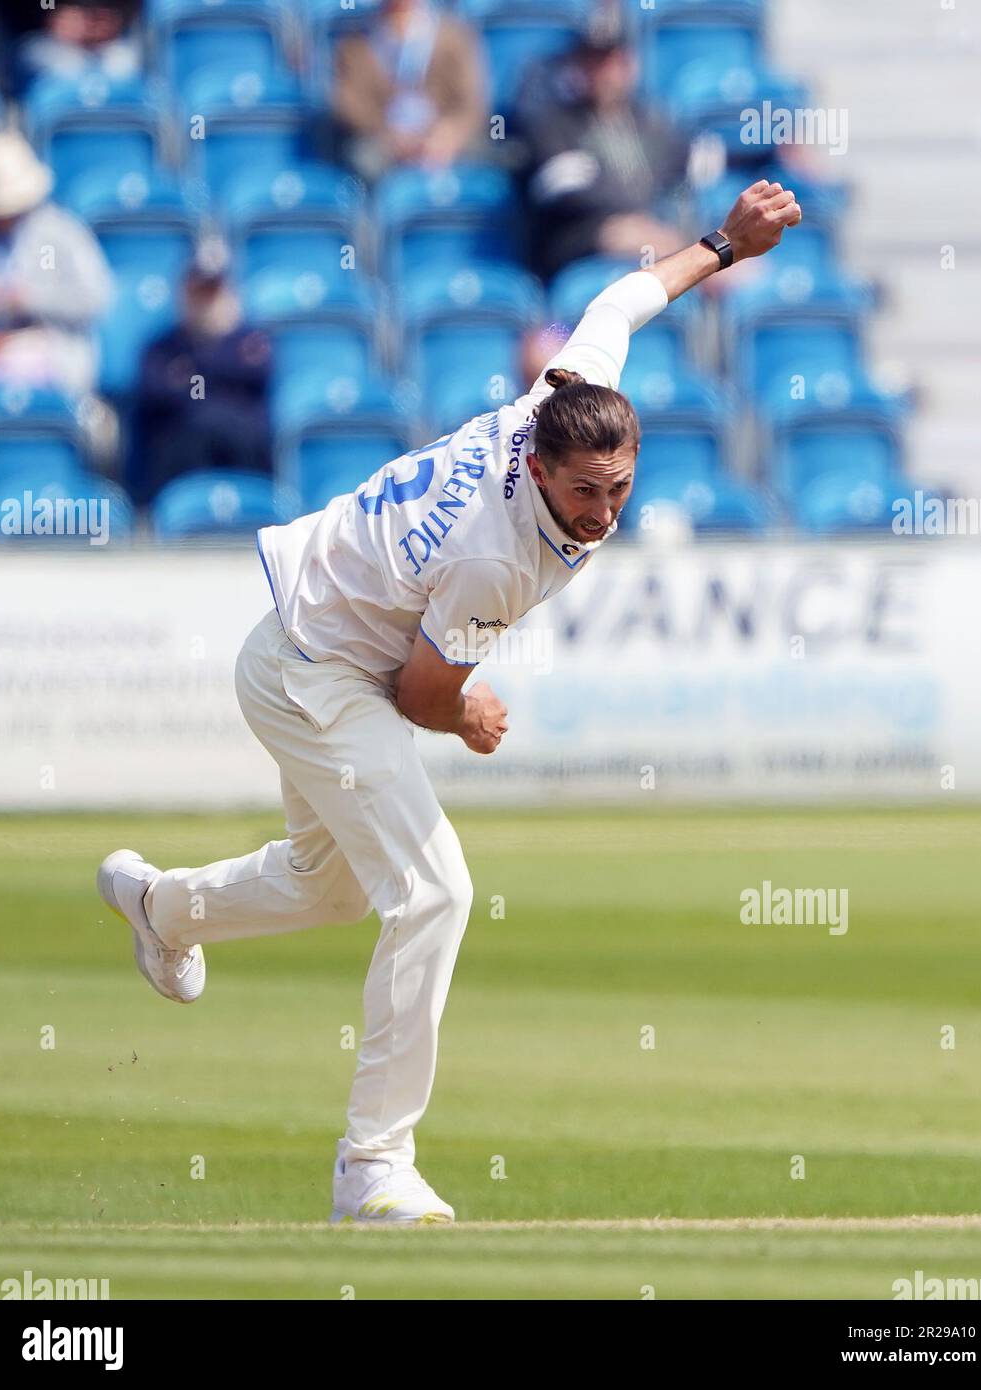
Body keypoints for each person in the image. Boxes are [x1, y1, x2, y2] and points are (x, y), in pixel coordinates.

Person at [97, 178, 802, 1225]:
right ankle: (371, 1166)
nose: (603, 513)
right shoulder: (497, 556)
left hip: (305, 640)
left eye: (619, 487)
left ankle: (161, 906)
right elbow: (425, 691)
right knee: (434, 892)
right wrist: (468, 713)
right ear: (536, 463)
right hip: (314, 671)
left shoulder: (555, 400)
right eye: (584, 495)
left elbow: (617, 306)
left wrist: (722, 244)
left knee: (328, 887)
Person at [514, 19, 695, 282]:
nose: (602, 73)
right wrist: (630, 214)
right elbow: (565, 189)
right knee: (632, 236)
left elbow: (685, 164)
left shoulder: (651, 122)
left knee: (724, 255)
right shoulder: (554, 122)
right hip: (579, 240)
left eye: (610, 62)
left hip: (651, 230)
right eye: (591, 62)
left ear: (629, 65)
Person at [131, 241, 272, 505]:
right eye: (200, 291)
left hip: (243, 459)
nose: (207, 302)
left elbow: (258, 372)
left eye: (214, 292)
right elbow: (155, 388)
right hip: (180, 463)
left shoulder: (250, 339)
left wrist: (194, 368)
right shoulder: (162, 346)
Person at [0, 129, 112, 395]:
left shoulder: (61, 233)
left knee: (20, 370)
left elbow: (95, 298)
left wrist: (26, 298)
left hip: (52, 346)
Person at [330, 0, 485, 181]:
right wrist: (390, 135)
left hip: (442, 133)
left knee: (485, 160)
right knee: (363, 160)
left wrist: (448, 133)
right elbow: (349, 105)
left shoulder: (455, 37)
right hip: (385, 138)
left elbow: (471, 101)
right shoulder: (354, 45)